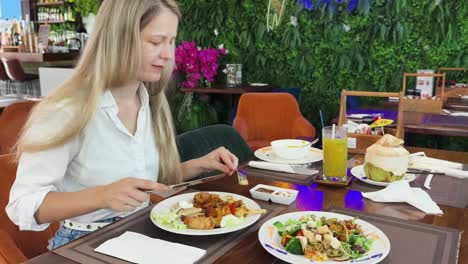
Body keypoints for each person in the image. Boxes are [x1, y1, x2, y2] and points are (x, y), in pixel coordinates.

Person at [6, 0, 238, 250]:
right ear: (119, 39)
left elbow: (140, 183)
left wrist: (199, 165)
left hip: (143, 232)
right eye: (155, 42)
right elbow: (23, 204)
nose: (168, 54)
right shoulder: (66, 109)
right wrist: (103, 196)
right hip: (84, 245)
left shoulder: (149, 101)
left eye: (171, 41)